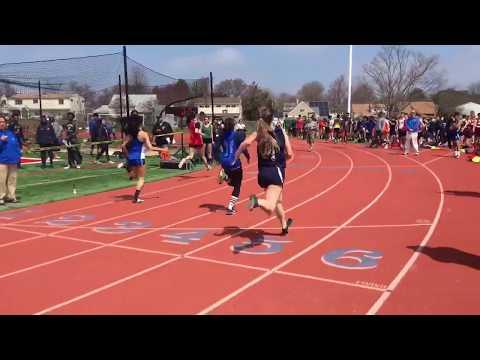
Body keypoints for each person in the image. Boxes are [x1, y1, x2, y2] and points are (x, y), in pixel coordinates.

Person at [234, 105, 294, 234]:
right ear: (272, 119)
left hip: (262, 174)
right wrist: (279, 159)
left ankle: (284, 225)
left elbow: (245, 143)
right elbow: (290, 154)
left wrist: (236, 156)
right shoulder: (281, 133)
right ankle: (256, 201)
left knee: (278, 201)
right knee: (270, 206)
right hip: (276, 173)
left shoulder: (258, 134)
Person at [122, 115, 164, 203]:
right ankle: (136, 198)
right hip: (139, 157)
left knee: (136, 176)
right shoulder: (143, 134)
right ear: (140, 124)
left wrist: (127, 156)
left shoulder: (130, 135)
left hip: (131, 157)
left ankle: (130, 172)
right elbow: (150, 148)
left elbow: (123, 146)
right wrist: (162, 149)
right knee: (141, 179)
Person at [217, 118, 250, 215]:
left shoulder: (222, 135)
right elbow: (243, 147)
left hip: (225, 162)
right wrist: (248, 156)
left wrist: (219, 158)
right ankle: (230, 207)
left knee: (232, 183)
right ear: (233, 125)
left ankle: (226, 177)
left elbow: (216, 148)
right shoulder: (237, 135)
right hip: (235, 163)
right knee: (237, 186)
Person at [0, 116, 21, 205]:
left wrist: (18, 157)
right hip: (2, 161)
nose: (2, 123)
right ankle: (1, 197)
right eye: (0, 122)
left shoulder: (10, 133)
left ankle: (11, 196)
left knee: (12, 179)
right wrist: (1, 141)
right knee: (1, 180)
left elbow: (16, 145)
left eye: (3, 121)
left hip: (13, 160)